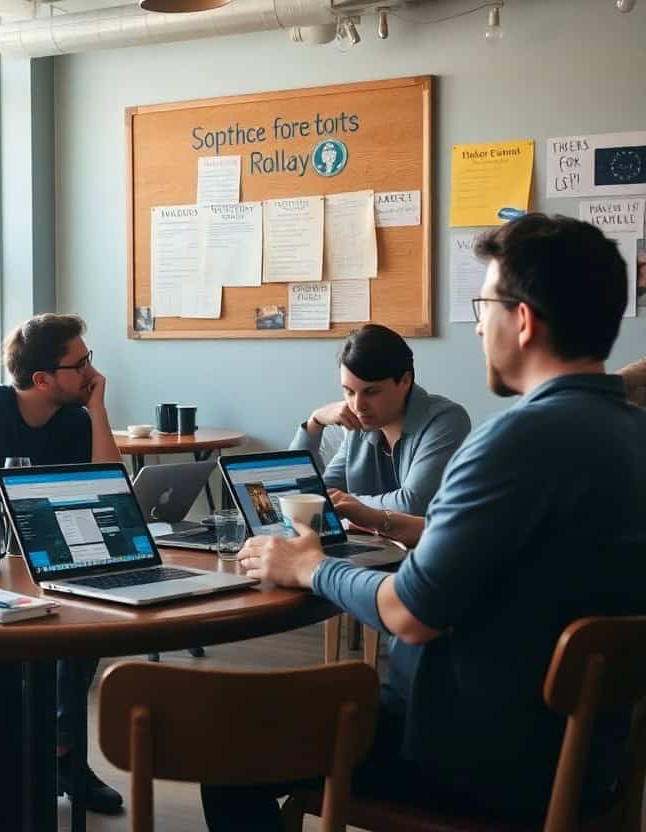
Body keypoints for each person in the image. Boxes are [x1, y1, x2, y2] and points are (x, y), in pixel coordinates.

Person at [205, 214, 646, 830]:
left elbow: (407, 615)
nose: (476, 327)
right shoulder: (629, 433)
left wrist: (311, 567)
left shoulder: (514, 443)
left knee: (225, 745)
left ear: (521, 321)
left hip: (466, 757)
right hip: (587, 756)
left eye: (482, 305)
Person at [0, 313, 126, 815]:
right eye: (80, 363)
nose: (91, 370)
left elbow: (109, 487)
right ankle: (29, 757)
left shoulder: (72, 418)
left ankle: (63, 747)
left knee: (88, 611)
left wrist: (98, 409)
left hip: (33, 553)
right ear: (43, 379)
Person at [291, 323, 471, 524]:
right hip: (372, 548)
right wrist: (315, 422)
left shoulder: (446, 420)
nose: (358, 406)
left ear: (404, 381)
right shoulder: (358, 427)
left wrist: (347, 504)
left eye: (371, 392)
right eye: (349, 392)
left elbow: (413, 505)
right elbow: (304, 496)